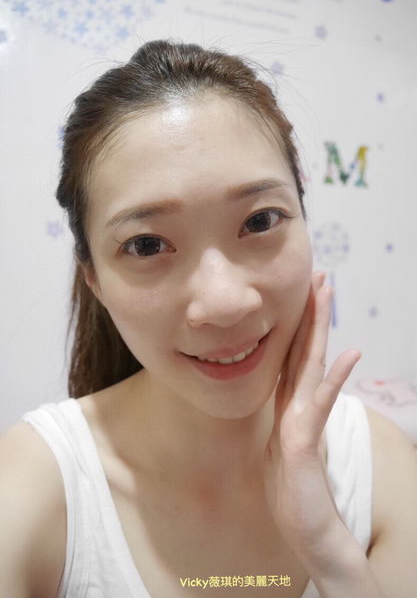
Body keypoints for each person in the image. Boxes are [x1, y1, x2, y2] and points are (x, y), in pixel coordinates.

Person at [0, 39, 416, 598]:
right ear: (93, 277)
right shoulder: (33, 489)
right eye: (147, 245)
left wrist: (330, 553)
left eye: (260, 220)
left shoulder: (382, 468)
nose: (224, 303)